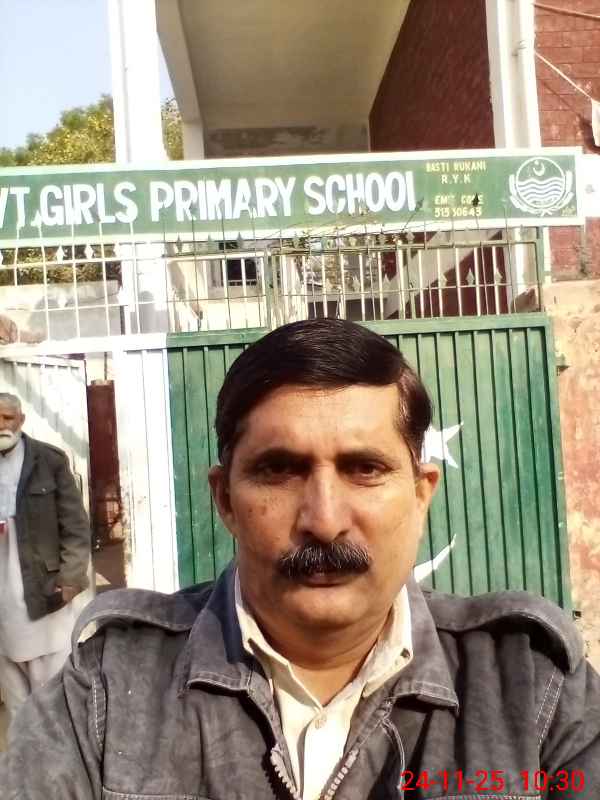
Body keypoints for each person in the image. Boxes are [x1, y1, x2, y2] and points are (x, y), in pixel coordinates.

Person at [1, 318, 599, 798]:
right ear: (225, 500)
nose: (324, 519)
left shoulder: (534, 689)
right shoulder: (106, 695)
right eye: (279, 470)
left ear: (421, 495)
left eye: (364, 469)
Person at [0, 393, 91, 728]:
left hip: (45, 590)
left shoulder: (48, 461)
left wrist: (70, 580)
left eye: (8, 418)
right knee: (15, 697)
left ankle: (58, 754)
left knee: (51, 693)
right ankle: (23, 757)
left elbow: (76, 526)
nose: (1, 426)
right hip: (4, 597)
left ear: (21, 420)